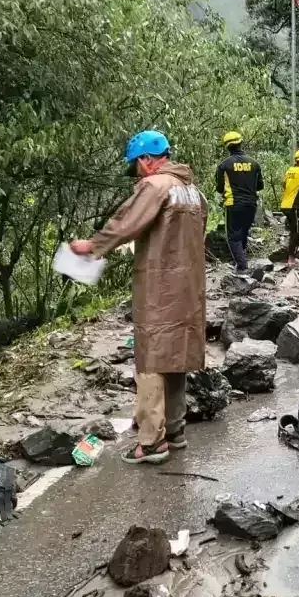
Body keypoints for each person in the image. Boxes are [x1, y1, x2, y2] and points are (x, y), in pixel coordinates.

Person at [71, 131, 207, 464]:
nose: (136, 172)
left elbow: (126, 225)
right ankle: (174, 431)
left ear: (146, 159)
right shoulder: (193, 191)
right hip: (189, 287)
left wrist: (93, 246)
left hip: (160, 287)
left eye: (135, 165)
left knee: (151, 360)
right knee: (176, 357)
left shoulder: (155, 186)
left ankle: (151, 443)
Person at [215, 131, 264, 275]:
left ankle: (242, 267)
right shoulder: (254, 164)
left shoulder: (224, 165)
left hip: (233, 204)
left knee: (233, 237)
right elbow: (260, 186)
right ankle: (238, 261)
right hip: (251, 204)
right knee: (243, 233)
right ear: (241, 142)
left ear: (227, 146)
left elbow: (219, 188)